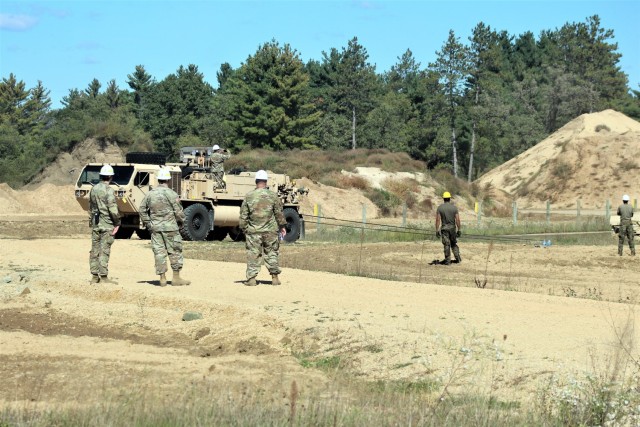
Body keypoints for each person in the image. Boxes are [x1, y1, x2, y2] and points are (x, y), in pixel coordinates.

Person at [139, 168, 191, 286]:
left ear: (158, 180)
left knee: (159, 252)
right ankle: (176, 278)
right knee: (175, 251)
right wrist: (181, 222)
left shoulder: (150, 194)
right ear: (168, 179)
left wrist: (149, 223)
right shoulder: (172, 194)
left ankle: (162, 278)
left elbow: (142, 210)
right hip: (171, 228)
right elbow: (179, 212)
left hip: (156, 228)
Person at [239, 170, 287, 286]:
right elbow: (279, 213)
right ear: (266, 182)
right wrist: (282, 226)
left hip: (253, 231)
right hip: (270, 231)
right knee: (271, 253)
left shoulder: (249, 196)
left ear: (256, 181)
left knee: (253, 253)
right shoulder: (273, 196)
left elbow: (243, 215)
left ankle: (251, 279)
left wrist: (244, 228)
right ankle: (275, 277)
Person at [89, 164, 121, 284]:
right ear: (110, 177)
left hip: (96, 224)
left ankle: (94, 276)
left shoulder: (93, 189)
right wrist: (117, 222)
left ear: (101, 176)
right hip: (107, 224)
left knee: (94, 249)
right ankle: (103, 277)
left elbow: (91, 207)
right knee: (104, 250)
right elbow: (113, 210)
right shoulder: (109, 190)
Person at [435, 191, 461, 265]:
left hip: (444, 229)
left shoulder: (440, 208)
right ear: (449, 198)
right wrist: (459, 230)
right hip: (452, 228)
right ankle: (458, 258)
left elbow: (437, 220)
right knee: (453, 243)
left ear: (443, 198)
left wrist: (437, 230)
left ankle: (447, 261)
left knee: (446, 244)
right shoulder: (454, 208)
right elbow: (458, 220)